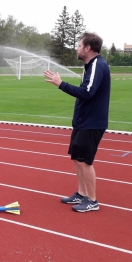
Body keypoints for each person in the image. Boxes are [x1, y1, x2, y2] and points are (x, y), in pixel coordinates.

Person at [44, 32, 111, 213]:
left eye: (79, 45)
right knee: (77, 158)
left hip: (92, 122)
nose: (77, 48)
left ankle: (92, 200)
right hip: (83, 121)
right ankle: (82, 194)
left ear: (88, 48)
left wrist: (61, 84)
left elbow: (87, 93)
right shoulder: (88, 66)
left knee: (84, 161)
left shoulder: (98, 65)